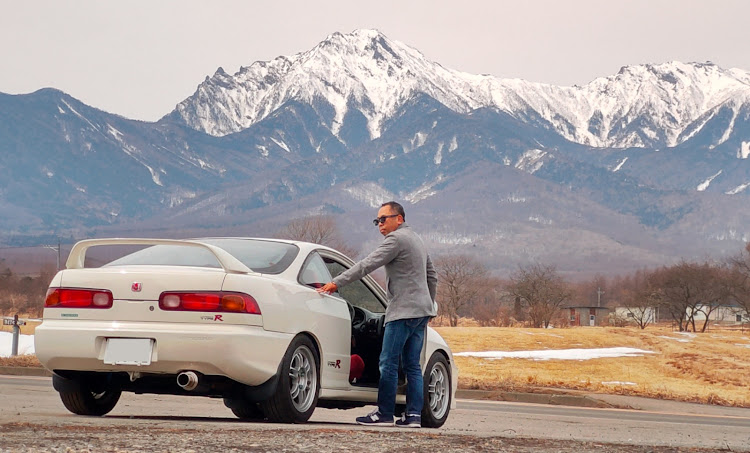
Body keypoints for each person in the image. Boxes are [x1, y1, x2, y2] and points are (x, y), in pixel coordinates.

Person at [316, 201, 438, 428]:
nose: (379, 224)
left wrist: (335, 283)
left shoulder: (396, 240)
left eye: (383, 219)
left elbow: (366, 265)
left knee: (388, 363)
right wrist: (429, 305)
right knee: (412, 365)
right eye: (377, 221)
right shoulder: (417, 239)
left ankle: (384, 414)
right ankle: (413, 416)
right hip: (420, 312)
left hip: (402, 311)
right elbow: (432, 276)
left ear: (399, 219)